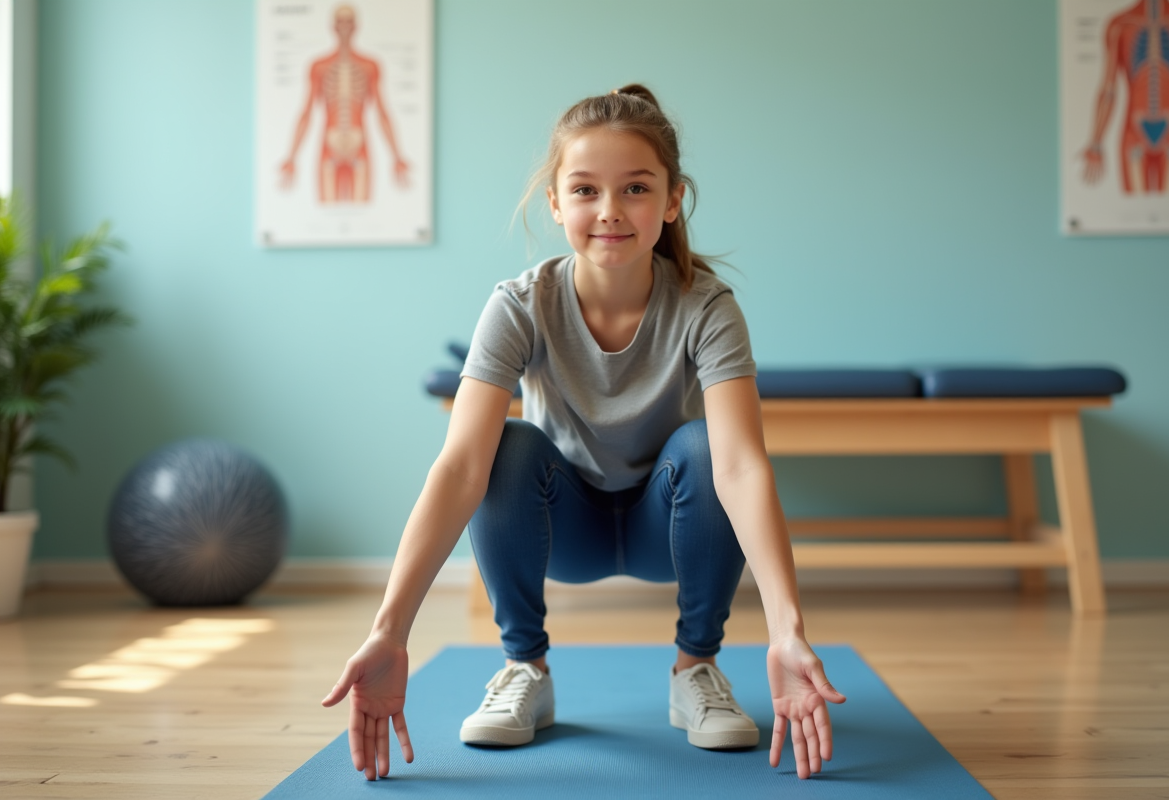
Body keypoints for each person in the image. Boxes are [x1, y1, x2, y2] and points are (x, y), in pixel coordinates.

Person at [321, 84, 846, 783]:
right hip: (561, 527)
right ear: (556, 203)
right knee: (505, 447)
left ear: (671, 200)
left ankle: (696, 669)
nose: (609, 211)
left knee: (703, 446)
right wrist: (389, 629)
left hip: (672, 527)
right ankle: (524, 669)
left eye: (635, 188)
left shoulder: (707, 306)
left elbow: (743, 468)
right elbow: (457, 470)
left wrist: (788, 631)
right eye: (585, 189)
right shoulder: (518, 305)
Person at [279, 4, 409, 203]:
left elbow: (382, 112)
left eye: (349, 22)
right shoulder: (319, 66)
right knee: (326, 209)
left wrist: (397, 155)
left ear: (356, 26)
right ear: (334, 26)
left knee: (362, 212)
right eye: (341, 22)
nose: (345, 27)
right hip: (328, 145)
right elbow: (306, 112)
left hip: (360, 145)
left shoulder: (370, 65)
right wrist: (291, 156)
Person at [1082, 0, 1169, 194]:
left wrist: (1096, 143)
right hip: (1135, 134)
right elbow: (1109, 89)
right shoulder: (1120, 25)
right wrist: (1095, 143)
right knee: (1133, 211)